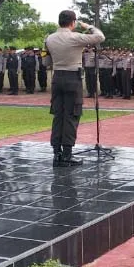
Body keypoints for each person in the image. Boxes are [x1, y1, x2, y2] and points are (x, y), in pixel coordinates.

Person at [44, 10, 105, 167]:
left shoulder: (49, 38)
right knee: (71, 115)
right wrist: (88, 25)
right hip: (73, 78)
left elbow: (46, 62)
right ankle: (67, 155)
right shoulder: (75, 37)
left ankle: (56, 154)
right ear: (73, 22)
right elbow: (100, 37)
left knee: (58, 115)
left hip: (57, 77)